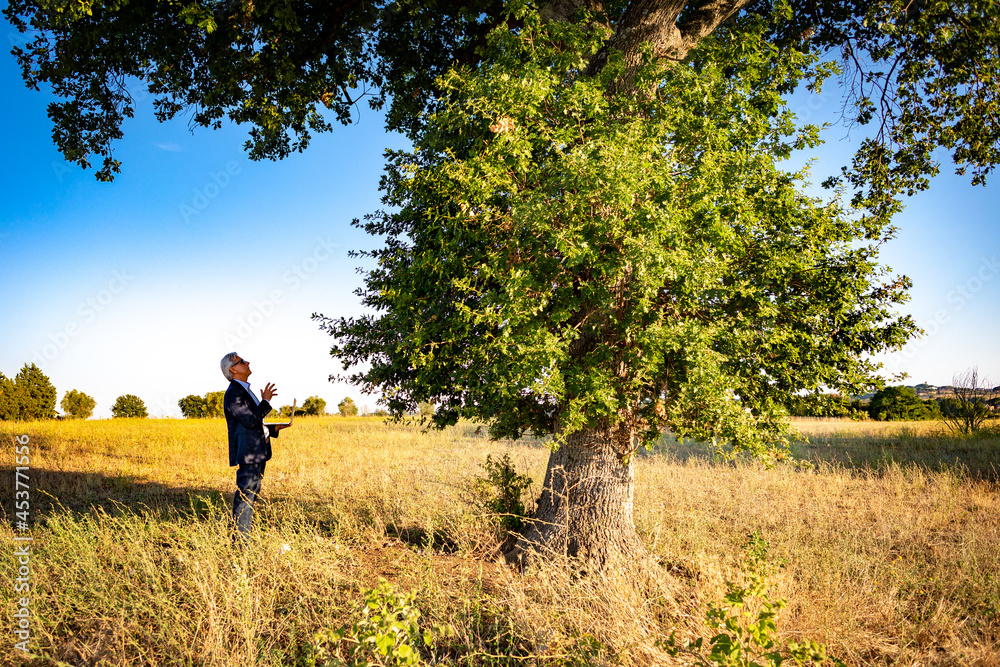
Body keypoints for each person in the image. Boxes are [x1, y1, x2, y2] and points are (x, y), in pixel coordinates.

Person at [220, 352, 291, 538]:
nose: (247, 362)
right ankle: (240, 542)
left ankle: (243, 537)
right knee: (246, 496)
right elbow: (251, 420)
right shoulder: (234, 393)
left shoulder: (243, 390)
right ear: (233, 369)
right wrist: (266, 401)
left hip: (257, 451)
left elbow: (253, 424)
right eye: (241, 361)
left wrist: (273, 428)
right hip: (249, 453)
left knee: (251, 494)